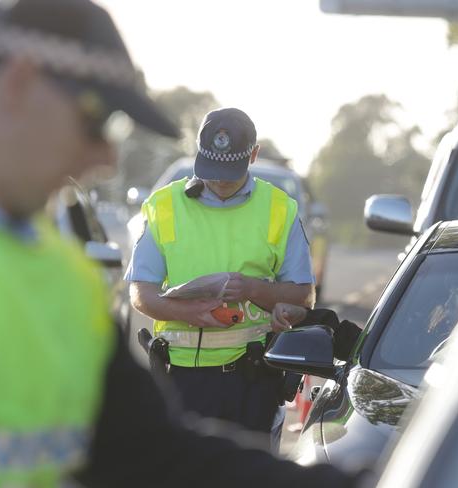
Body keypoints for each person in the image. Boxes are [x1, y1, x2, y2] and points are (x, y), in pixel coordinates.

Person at [0, 0, 359, 486]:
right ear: (20, 84)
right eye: (100, 123)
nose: (107, 158)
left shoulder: (63, 276)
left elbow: (153, 450)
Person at [126, 107, 316, 438]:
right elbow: (141, 292)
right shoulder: (163, 206)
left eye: (229, 171)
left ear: (253, 155)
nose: (219, 180)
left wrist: (252, 289)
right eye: (212, 169)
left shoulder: (279, 209)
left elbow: (303, 295)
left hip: (253, 380)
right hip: (182, 379)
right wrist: (188, 311)